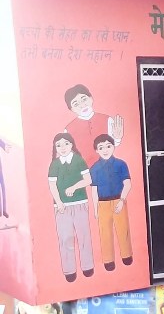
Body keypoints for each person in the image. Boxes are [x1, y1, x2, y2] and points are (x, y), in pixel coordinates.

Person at [47, 132, 94, 283]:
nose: (63, 147)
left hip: (80, 203)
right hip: (61, 207)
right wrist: (59, 202)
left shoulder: (78, 160)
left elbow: (88, 180)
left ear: (72, 144)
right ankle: (69, 270)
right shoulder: (54, 164)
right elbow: (52, 185)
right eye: (58, 145)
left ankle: (87, 266)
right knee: (65, 238)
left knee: (84, 236)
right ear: (55, 148)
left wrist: (74, 187)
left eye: (66, 144)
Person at [89, 133, 133, 272]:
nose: (105, 150)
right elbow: (94, 190)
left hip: (118, 200)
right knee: (105, 233)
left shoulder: (121, 164)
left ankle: (126, 256)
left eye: (108, 146)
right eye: (101, 147)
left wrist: (122, 200)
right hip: (102, 204)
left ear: (113, 147)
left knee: (123, 230)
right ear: (97, 150)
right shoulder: (94, 168)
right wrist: (96, 208)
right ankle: (108, 260)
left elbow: (127, 184)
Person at [63, 84, 124, 165]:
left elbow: (114, 143)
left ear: (91, 98)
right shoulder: (68, 130)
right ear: (71, 109)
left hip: (108, 166)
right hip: (83, 170)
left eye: (84, 99)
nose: (82, 105)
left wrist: (117, 138)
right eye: (76, 104)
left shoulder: (107, 119)